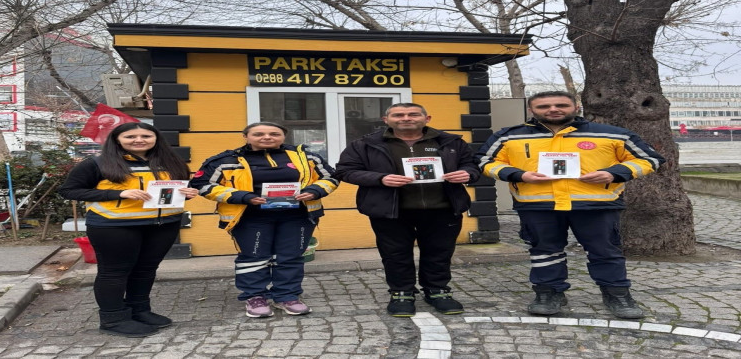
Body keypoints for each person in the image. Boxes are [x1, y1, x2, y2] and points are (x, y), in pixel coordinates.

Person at [474, 91, 665, 319]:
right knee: (544, 251)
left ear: (575, 106)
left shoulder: (614, 134)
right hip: (538, 206)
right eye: (544, 106)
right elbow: (484, 161)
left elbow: (651, 159)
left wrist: (614, 173)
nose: (553, 109)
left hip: (596, 205)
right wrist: (518, 175)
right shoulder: (508, 136)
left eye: (560, 105)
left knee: (605, 251)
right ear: (531, 110)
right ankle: (548, 293)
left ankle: (617, 294)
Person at [334, 103, 480, 317]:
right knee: (395, 254)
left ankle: (437, 291)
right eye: (398, 115)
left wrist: (467, 174)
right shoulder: (365, 144)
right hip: (390, 209)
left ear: (427, 118)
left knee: (439, 252)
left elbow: (473, 165)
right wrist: (380, 178)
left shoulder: (451, 141)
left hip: (442, 207)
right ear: (386, 119)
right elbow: (346, 171)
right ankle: (401, 293)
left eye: (413, 114)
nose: (406, 118)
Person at [59, 122, 198, 337]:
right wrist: (118, 194)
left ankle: (140, 311)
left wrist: (186, 193)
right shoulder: (98, 164)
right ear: (117, 140)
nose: (139, 140)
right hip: (115, 226)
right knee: (114, 272)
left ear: (156, 139)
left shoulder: (170, 162)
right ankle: (113, 318)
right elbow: (69, 191)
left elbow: (174, 189)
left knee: (146, 269)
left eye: (146, 135)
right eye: (131, 136)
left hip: (163, 225)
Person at [189, 122, 338, 318]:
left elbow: (331, 177)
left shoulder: (306, 156)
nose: (267, 137)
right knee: (254, 258)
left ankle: (287, 296)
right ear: (246, 137)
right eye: (259, 134)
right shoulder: (225, 160)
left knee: (291, 257)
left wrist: (314, 191)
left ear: (283, 136)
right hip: (250, 217)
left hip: (297, 216)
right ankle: (255, 296)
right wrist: (243, 196)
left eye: (274, 134)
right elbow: (201, 184)